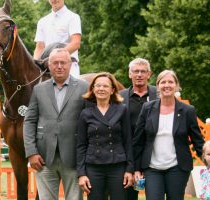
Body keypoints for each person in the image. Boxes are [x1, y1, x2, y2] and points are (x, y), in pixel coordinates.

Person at [24, 48, 88, 200]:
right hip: (43, 158)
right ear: (49, 65)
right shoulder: (39, 89)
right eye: (55, 63)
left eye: (63, 63)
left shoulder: (83, 87)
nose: (59, 66)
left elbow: (89, 121)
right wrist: (31, 152)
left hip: (73, 157)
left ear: (70, 64)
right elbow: (29, 121)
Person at [132, 69, 205, 200]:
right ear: (158, 86)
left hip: (178, 167)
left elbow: (197, 140)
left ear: (176, 85)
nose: (167, 85)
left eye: (170, 82)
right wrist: (136, 169)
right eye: (163, 82)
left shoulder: (187, 110)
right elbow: (138, 140)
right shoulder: (147, 108)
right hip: (152, 168)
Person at [76, 72, 133, 200]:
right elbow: (81, 145)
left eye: (105, 86)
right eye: (98, 86)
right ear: (93, 89)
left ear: (112, 90)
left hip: (118, 166)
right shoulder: (85, 113)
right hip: (93, 167)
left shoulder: (122, 110)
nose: (101, 89)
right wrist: (81, 174)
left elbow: (128, 141)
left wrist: (129, 169)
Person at [119, 58, 157, 199]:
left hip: (154, 153)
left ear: (149, 74)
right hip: (128, 153)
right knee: (127, 196)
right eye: (136, 71)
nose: (139, 75)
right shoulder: (119, 97)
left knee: (155, 195)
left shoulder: (159, 94)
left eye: (143, 71)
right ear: (130, 74)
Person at [33, 0, 82, 78]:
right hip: (46, 68)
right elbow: (39, 47)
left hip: (69, 67)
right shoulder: (42, 22)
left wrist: (55, 58)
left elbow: (75, 43)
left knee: (74, 89)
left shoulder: (73, 17)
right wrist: (35, 65)